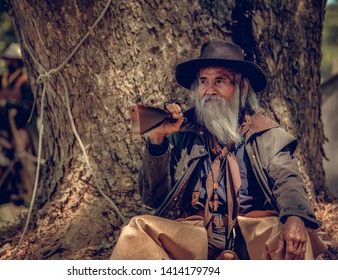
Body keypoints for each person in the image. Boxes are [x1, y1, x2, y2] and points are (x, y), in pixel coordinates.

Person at [111, 39, 326, 260]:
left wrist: (294, 218)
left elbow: (288, 181)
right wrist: (157, 142)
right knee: (136, 231)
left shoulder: (266, 135)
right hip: (194, 235)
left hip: (251, 236)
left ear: (241, 87)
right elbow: (153, 198)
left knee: (297, 238)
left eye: (219, 81)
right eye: (204, 81)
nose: (210, 90)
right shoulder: (181, 132)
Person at [0, 42, 37, 204]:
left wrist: (6, 104)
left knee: (19, 150)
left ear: (18, 63)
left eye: (11, 60)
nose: (8, 63)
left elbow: (30, 106)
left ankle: (23, 188)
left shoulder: (25, 82)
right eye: (7, 60)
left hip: (19, 126)